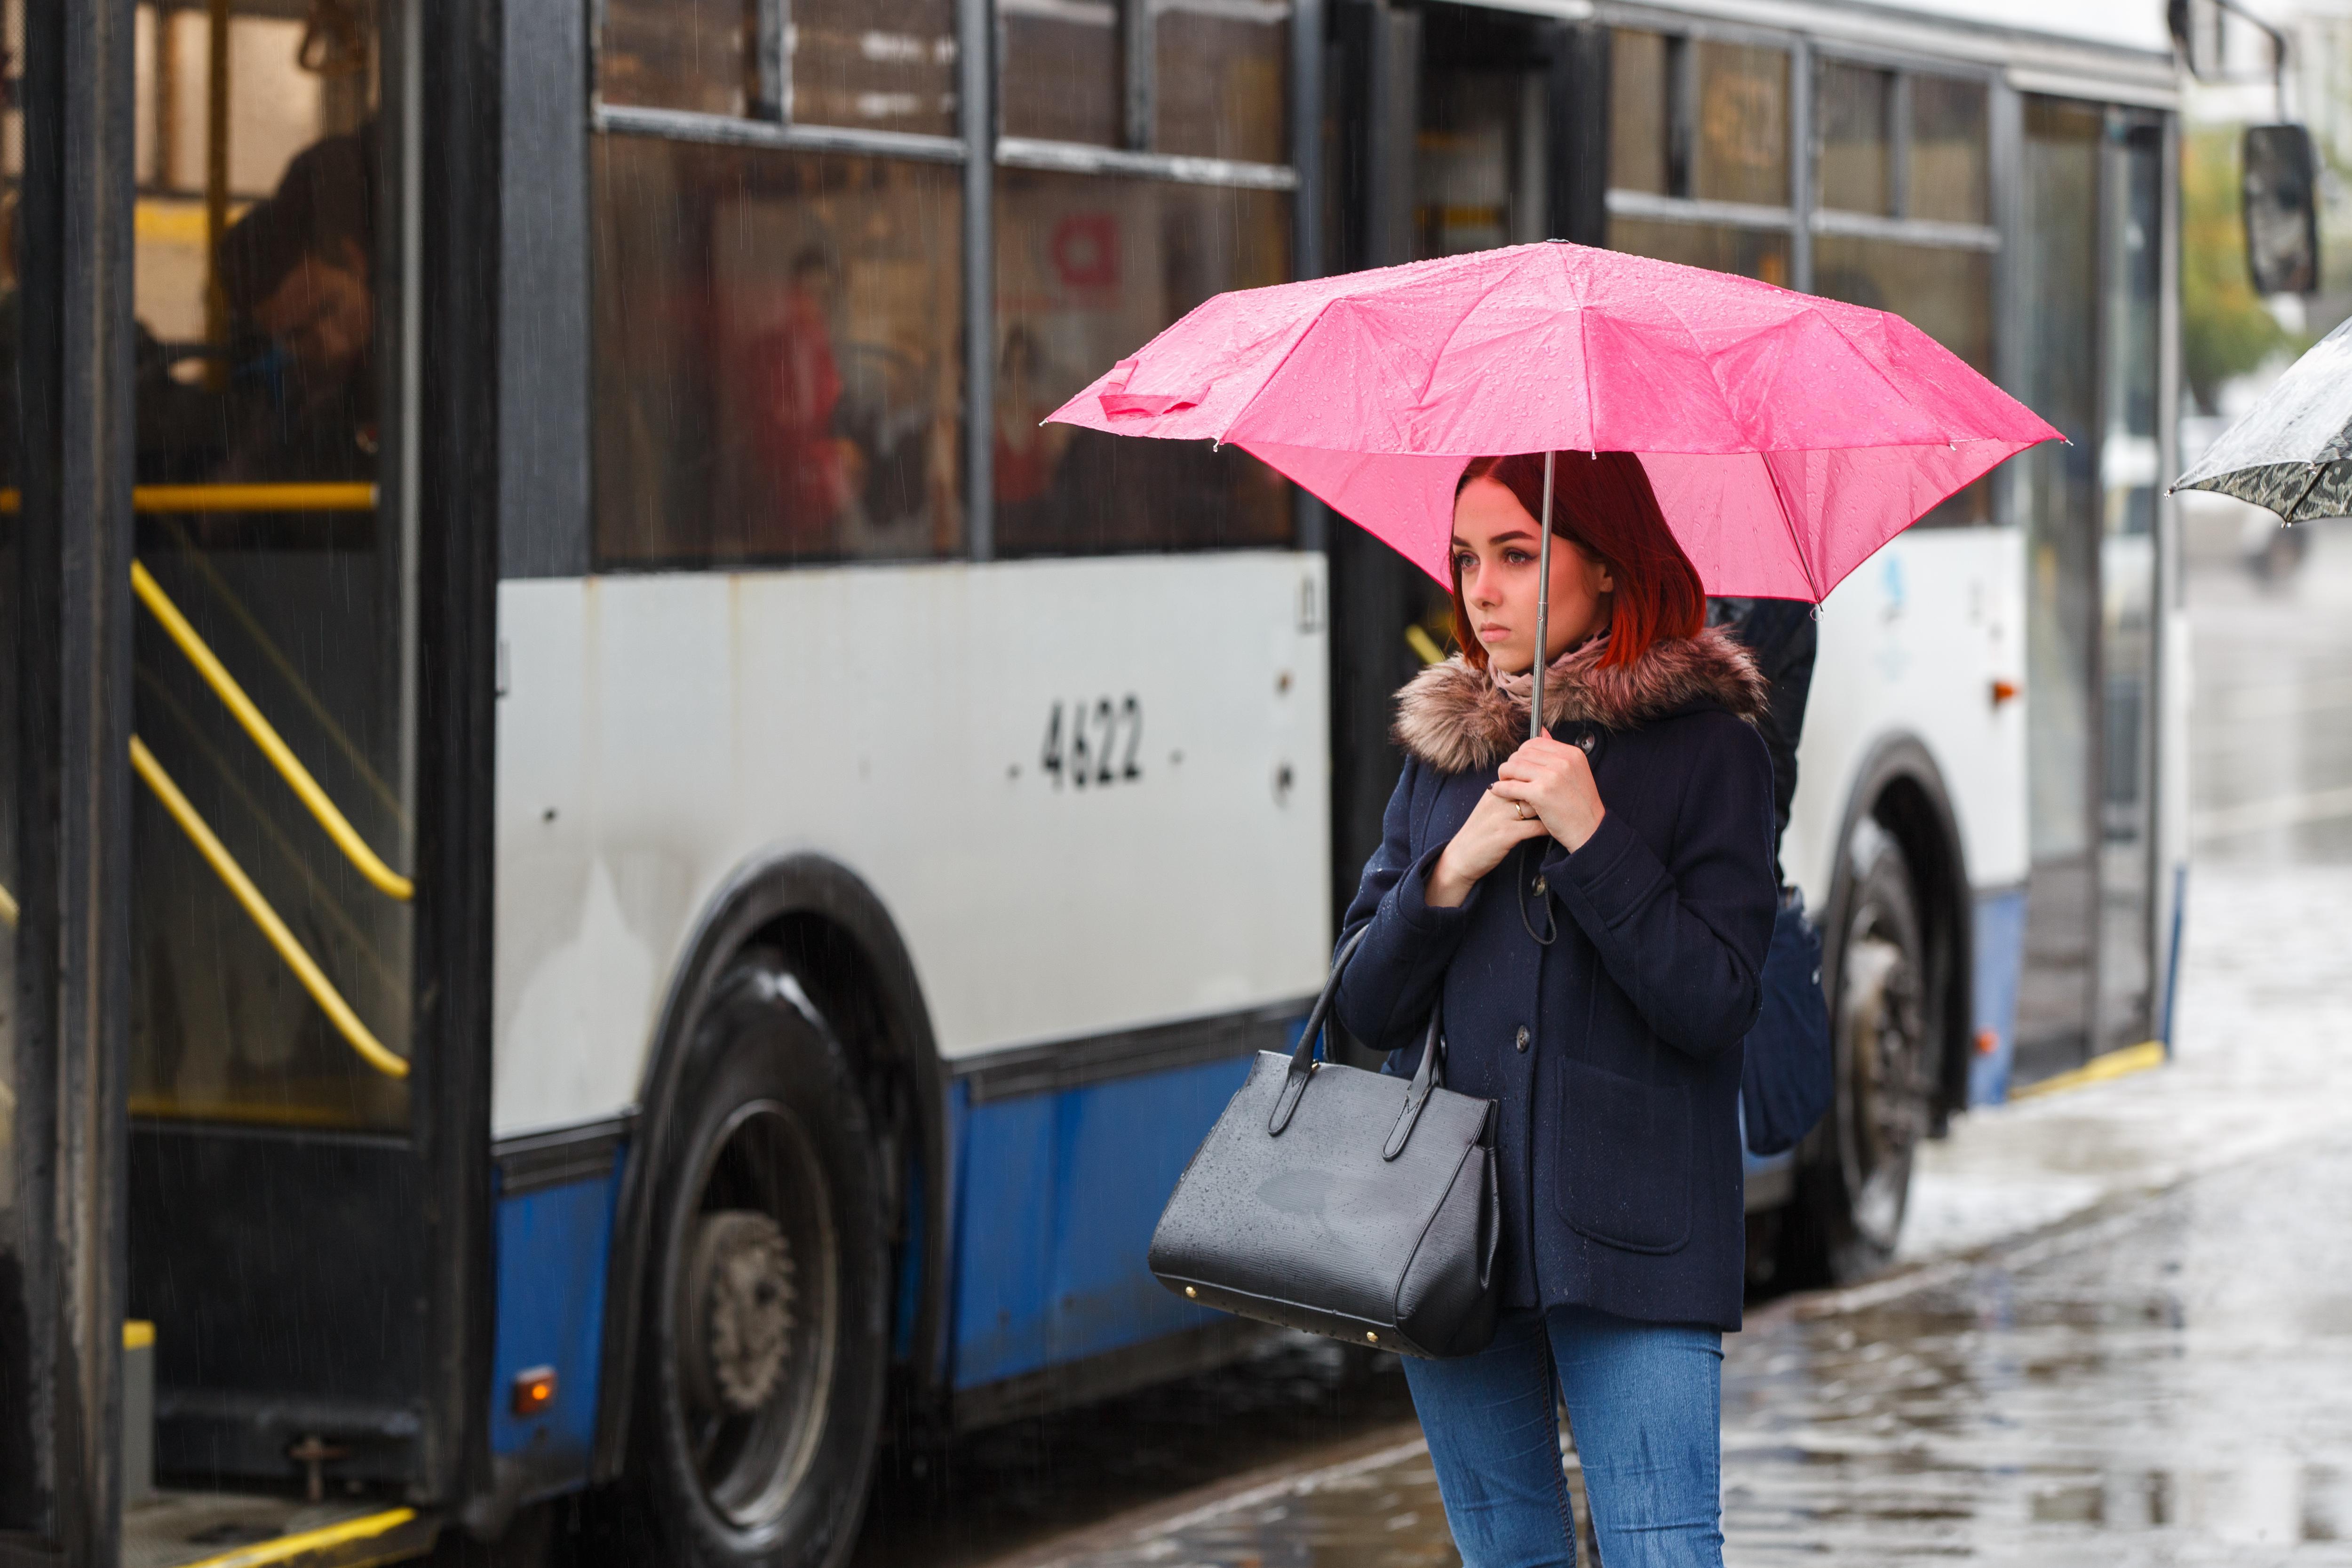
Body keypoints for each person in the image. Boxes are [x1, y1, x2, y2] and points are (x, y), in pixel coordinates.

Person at [1333, 451, 1778, 1568]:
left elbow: (1715, 1000)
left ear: (1613, 570)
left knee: (1665, 1555)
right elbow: (1364, 1004)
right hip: (1449, 1232)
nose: (1479, 591)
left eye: (1518, 555)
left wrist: (1593, 837)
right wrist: (1451, 867)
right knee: (1506, 1558)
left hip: (1639, 1236)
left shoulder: (1710, 753)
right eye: (1465, 559)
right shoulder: (1446, 763)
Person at [218, 124, 380, 481]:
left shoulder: (426, 359)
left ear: (357, 261)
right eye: (296, 336)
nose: (332, 343)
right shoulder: (301, 404)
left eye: (329, 309)